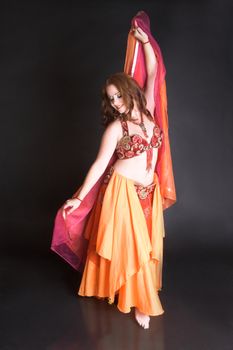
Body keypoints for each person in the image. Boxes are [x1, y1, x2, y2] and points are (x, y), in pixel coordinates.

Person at [51, 11, 176, 330]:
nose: (117, 102)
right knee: (132, 245)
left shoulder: (147, 108)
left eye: (119, 95)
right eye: (111, 99)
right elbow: (98, 164)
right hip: (122, 191)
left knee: (142, 246)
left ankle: (134, 292)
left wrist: (146, 41)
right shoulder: (115, 129)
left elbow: (152, 69)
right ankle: (142, 304)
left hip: (148, 190)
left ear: (129, 90)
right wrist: (78, 199)